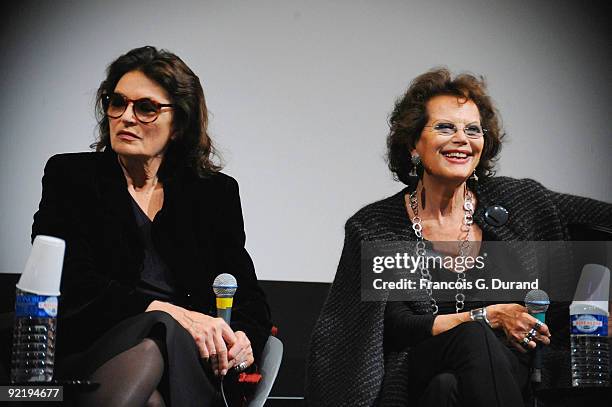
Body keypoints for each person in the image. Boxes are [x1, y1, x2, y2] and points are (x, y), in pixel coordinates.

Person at [306, 68, 612, 407]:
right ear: (413, 144)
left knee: (448, 388)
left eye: (472, 129)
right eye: (445, 127)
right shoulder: (377, 226)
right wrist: (487, 316)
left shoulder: (520, 200)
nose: (462, 139)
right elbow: (399, 325)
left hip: (513, 373)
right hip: (417, 370)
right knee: (472, 337)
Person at [29, 46, 271, 407]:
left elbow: (248, 297)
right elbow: (71, 282)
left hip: (191, 361)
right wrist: (169, 312)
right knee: (159, 335)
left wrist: (243, 337)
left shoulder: (213, 194)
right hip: (94, 352)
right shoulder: (71, 177)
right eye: (117, 103)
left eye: (146, 108)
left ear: (179, 126)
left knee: (157, 371)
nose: (126, 117)